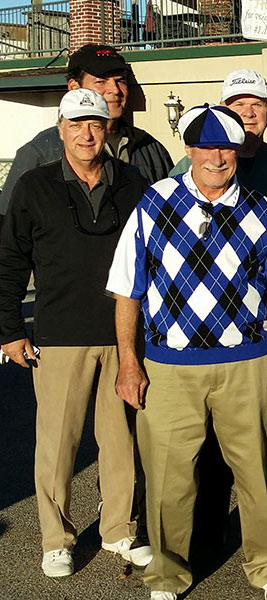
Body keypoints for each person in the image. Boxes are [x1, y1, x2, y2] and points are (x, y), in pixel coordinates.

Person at [107, 104, 267, 600]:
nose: (216, 157)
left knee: (257, 472)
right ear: (189, 150)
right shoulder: (154, 203)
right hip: (169, 368)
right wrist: (129, 362)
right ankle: (167, 575)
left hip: (247, 363)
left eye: (225, 147)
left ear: (237, 151)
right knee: (170, 479)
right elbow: (127, 290)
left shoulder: (261, 210)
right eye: (206, 147)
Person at [0, 89, 151, 578]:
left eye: (96, 124)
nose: (87, 134)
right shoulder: (33, 186)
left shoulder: (132, 183)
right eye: (77, 125)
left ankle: (119, 530)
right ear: (60, 129)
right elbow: (9, 264)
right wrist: (8, 331)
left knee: (120, 439)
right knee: (57, 443)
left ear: (107, 129)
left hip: (123, 334)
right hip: (59, 334)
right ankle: (57, 538)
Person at [0, 44, 173, 221]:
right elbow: (10, 226)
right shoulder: (41, 151)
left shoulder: (150, 147)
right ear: (74, 87)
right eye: (101, 81)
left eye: (120, 80)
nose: (115, 90)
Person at [171, 69, 267, 216]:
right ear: (222, 111)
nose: (248, 113)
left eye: (257, 105)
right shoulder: (191, 166)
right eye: (239, 104)